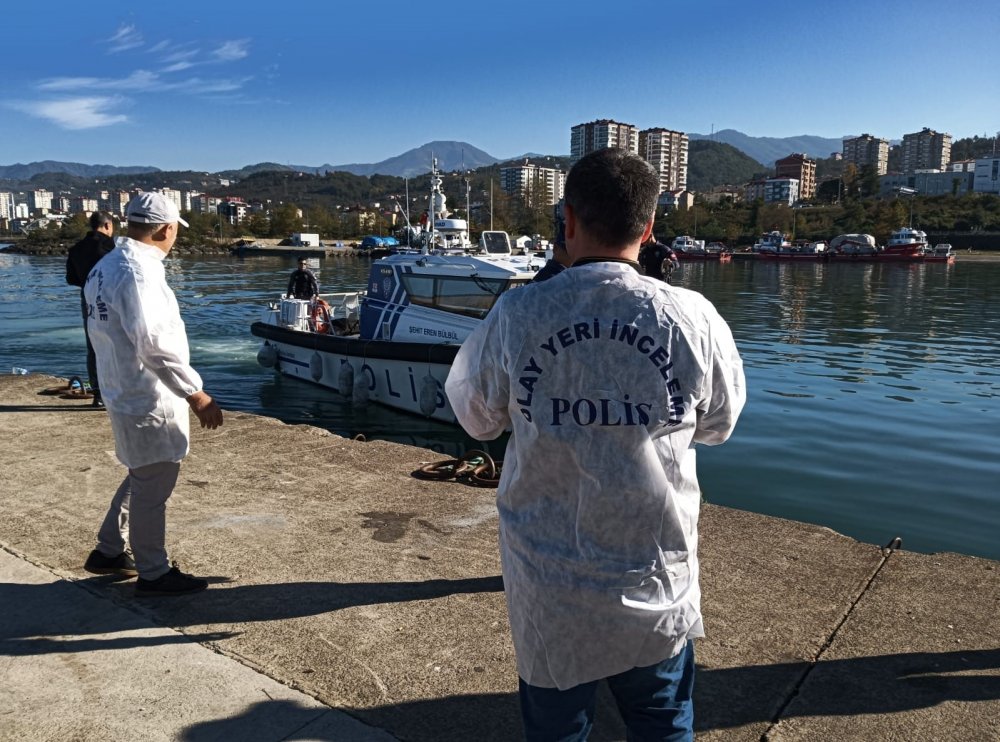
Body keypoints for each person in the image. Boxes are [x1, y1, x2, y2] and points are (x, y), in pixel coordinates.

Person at [445, 148, 746, 740]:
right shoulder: (693, 316)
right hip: (654, 577)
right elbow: (719, 424)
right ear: (649, 227)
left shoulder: (518, 312)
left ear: (570, 220)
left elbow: (477, 418)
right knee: (663, 724)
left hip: (549, 583)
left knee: (557, 731)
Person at [82, 192, 223, 596]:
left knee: (143, 473)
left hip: (120, 385)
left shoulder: (106, 266)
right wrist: (195, 393)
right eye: (175, 229)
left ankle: (109, 550)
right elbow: (154, 343)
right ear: (166, 228)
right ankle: (154, 572)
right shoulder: (139, 272)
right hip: (147, 393)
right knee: (153, 485)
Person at [66, 211, 116, 406]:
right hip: (111, 298)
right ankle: (117, 391)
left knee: (93, 346)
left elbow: (71, 279)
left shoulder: (76, 249)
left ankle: (98, 395)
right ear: (106, 226)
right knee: (117, 343)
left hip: (88, 298)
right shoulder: (111, 246)